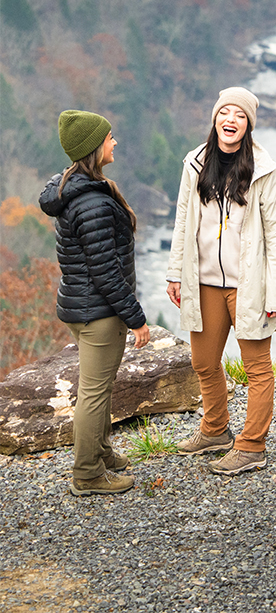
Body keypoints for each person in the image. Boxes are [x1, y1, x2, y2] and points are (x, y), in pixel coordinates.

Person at [166, 87, 276, 476]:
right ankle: (215, 430)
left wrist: (275, 292)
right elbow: (183, 220)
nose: (230, 120)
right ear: (215, 118)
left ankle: (252, 446)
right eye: (225, 113)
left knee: (257, 369)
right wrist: (175, 273)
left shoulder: (264, 169)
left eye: (239, 115)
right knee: (203, 362)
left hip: (248, 285)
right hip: (203, 282)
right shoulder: (195, 163)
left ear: (248, 125)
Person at [40, 110, 152, 497]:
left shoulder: (73, 189)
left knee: (99, 388)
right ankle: (87, 473)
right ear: (93, 148)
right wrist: (136, 318)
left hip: (83, 306)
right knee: (94, 392)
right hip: (99, 313)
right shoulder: (93, 204)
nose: (115, 142)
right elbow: (105, 273)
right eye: (109, 138)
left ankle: (101, 452)